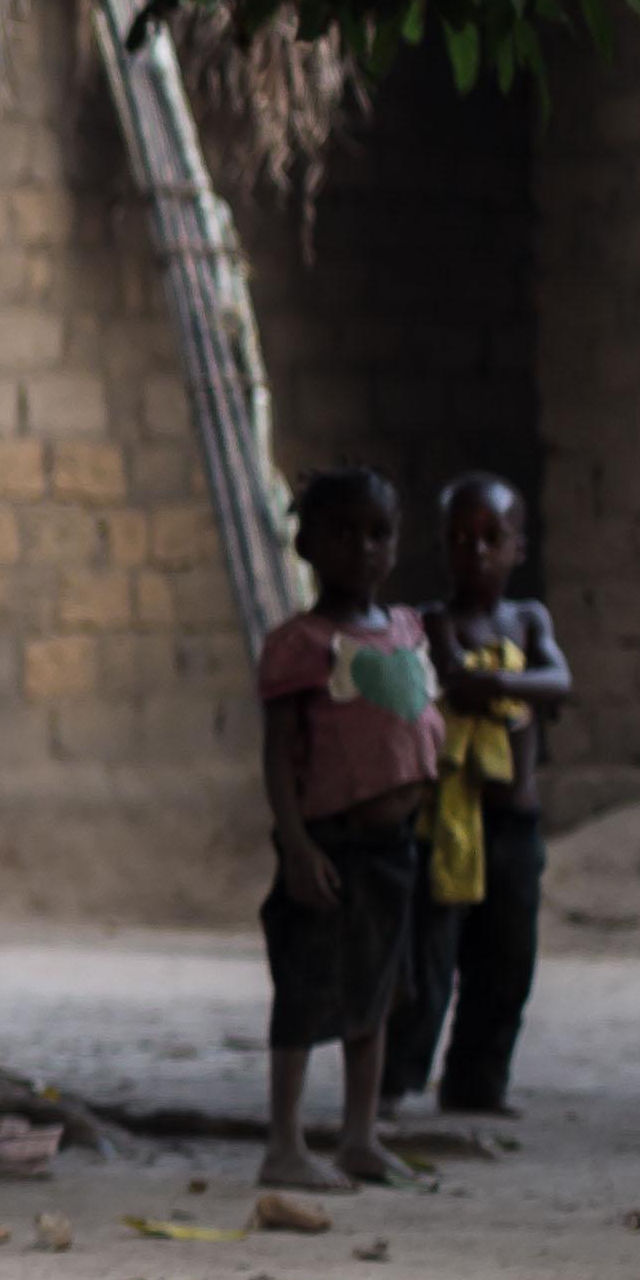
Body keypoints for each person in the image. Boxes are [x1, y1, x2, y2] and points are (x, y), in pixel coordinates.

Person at [255, 468, 438, 1192]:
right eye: (343, 532)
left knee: (377, 988)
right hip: (331, 846)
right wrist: (297, 845)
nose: (363, 547)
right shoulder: (300, 644)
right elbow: (276, 754)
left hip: (394, 850)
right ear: (305, 543)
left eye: (379, 532)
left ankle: (360, 1135)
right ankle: (285, 1143)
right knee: (306, 988)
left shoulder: (405, 629)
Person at [386, 473, 571, 1118]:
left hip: (514, 825)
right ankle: (395, 1082)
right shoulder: (433, 621)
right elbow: (454, 681)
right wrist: (503, 686)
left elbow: (557, 680)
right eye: (462, 540)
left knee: (506, 961)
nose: (478, 553)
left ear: (519, 547)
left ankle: (476, 1084)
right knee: (429, 959)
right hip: (447, 822)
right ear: (443, 548)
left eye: (493, 538)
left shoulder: (528, 619)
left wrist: (489, 678)